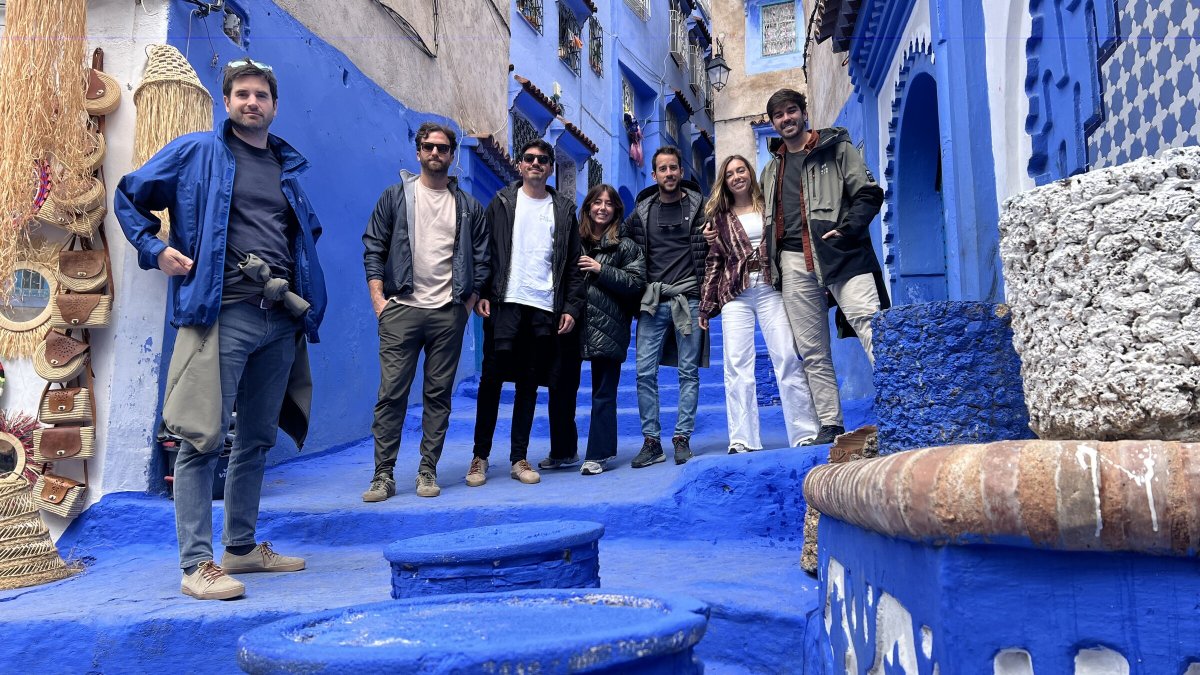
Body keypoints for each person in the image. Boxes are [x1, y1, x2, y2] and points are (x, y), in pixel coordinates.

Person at [115, 59, 327, 601]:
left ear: (274, 106)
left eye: (261, 95)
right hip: (222, 313)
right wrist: (154, 249)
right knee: (200, 437)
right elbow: (129, 194)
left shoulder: (285, 166)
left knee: (256, 438)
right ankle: (196, 565)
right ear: (227, 102)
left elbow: (301, 239)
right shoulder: (198, 152)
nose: (252, 102)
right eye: (242, 94)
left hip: (279, 318)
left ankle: (241, 548)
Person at [361, 122, 489, 500]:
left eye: (442, 148)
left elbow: (482, 259)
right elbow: (374, 247)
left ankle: (427, 470)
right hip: (401, 309)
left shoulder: (468, 207)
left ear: (451, 156)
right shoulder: (394, 197)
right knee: (391, 395)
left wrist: (466, 306)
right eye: (429, 147)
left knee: (438, 396)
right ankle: (383, 475)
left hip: (448, 312)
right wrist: (379, 302)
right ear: (418, 152)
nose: (435, 153)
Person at [760, 88, 888, 446]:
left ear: (804, 112)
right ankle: (830, 423)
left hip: (840, 250)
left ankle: (901, 402)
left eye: (791, 111)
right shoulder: (771, 170)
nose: (786, 119)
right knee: (812, 350)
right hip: (792, 260)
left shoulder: (836, 149)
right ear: (773, 123)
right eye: (778, 115)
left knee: (871, 326)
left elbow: (869, 193)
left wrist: (847, 229)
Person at [470, 139, 584, 487]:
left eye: (543, 160)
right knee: (491, 381)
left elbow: (573, 265)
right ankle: (479, 457)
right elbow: (485, 251)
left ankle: (518, 457)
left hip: (543, 308)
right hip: (505, 303)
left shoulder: (563, 210)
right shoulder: (502, 202)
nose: (536, 163)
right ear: (520, 165)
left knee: (529, 385)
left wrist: (570, 307)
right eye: (530, 158)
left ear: (550, 168)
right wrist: (482, 293)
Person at [699, 155, 819, 452]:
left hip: (770, 287)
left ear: (750, 174)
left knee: (787, 357)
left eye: (741, 170)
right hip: (735, 294)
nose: (736, 177)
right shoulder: (719, 218)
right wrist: (706, 305)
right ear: (724, 182)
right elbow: (714, 261)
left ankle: (804, 432)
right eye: (730, 174)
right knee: (736, 364)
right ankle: (743, 439)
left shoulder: (769, 206)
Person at [625, 146, 708, 468]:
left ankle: (682, 437)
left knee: (688, 372)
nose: (669, 173)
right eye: (663, 169)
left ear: (681, 172)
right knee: (644, 372)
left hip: (690, 299)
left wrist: (710, 297)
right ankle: (651, 442)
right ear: (654, 175)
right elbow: (620, 243)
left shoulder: (701, 208)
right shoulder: (642, 213)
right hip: (653, 301)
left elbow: (715, 247)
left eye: (674, 167)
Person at [575, 184, 645, 475]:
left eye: (608, 203)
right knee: (562, 389)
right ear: (588, 207)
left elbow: (636, 283)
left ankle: (598, 454)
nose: (602, 208)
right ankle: (562, 450)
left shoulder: (625, 246)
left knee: (603, 392)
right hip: (573, 323)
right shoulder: (574, 240)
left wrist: (601, 269)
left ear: (616, 209)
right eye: (597, 202)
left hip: (609, 326)